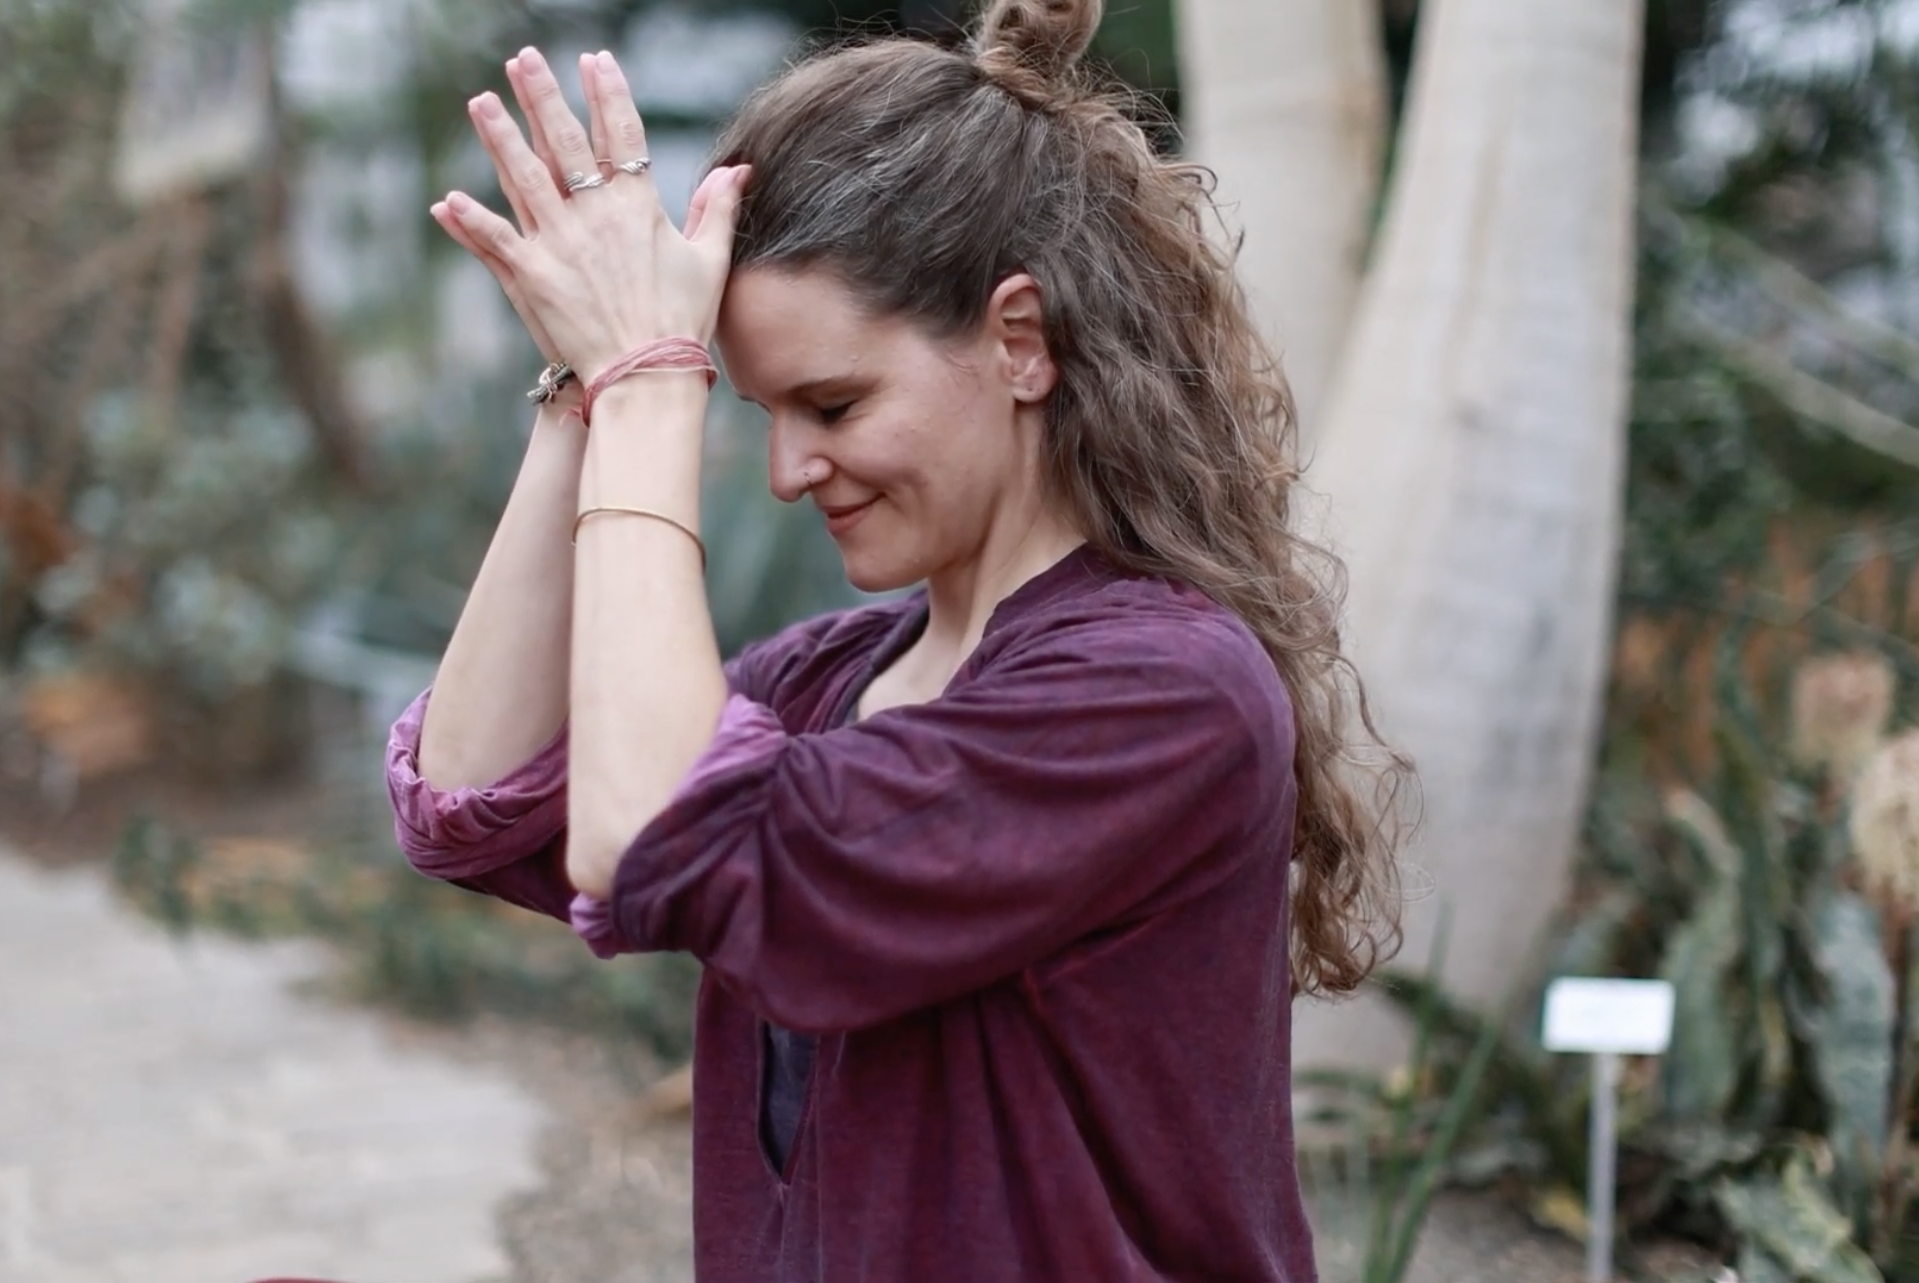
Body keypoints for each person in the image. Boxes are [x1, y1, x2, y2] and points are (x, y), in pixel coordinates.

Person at [388, 0, 1410, 1277]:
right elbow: (474, 798)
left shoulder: (1163, 692)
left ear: (1019, 342)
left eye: (832, 403)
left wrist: (652, 381)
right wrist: (585, 396)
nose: (786, 469)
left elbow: (664, 832)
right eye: (761, 409)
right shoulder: (828, 679)